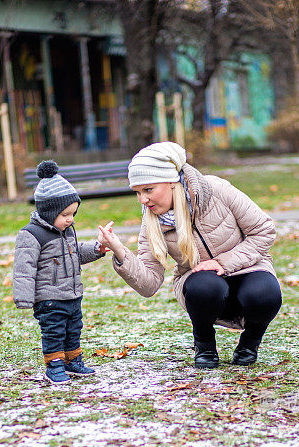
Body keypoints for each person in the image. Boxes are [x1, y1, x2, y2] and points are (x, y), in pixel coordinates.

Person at [98, 142, 281, 368]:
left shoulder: (216, 189)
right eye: (137, 192)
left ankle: (249, 344)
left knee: (265, 294)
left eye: (148, 190)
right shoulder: (151, 221)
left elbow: (263, 230)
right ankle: (204, 345)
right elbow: (149, 284)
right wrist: (119, 251)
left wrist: (223, 262)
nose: (142, 200)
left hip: (248, 268)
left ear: (172, 183)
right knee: (204, 286)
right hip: (202, 285)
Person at [13, 160, 108, 384]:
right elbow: (23, 268)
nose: (70, 219)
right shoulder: (32, 234)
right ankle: (54, 365)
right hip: (49, 299)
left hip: (72, 295)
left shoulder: (66, 231)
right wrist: (24, 297)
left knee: (73, 330)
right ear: (49, 212)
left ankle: (72, 361)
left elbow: (76, 253)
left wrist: (97, 248)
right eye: (65, 214)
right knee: (54, 332)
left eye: (73, 214)